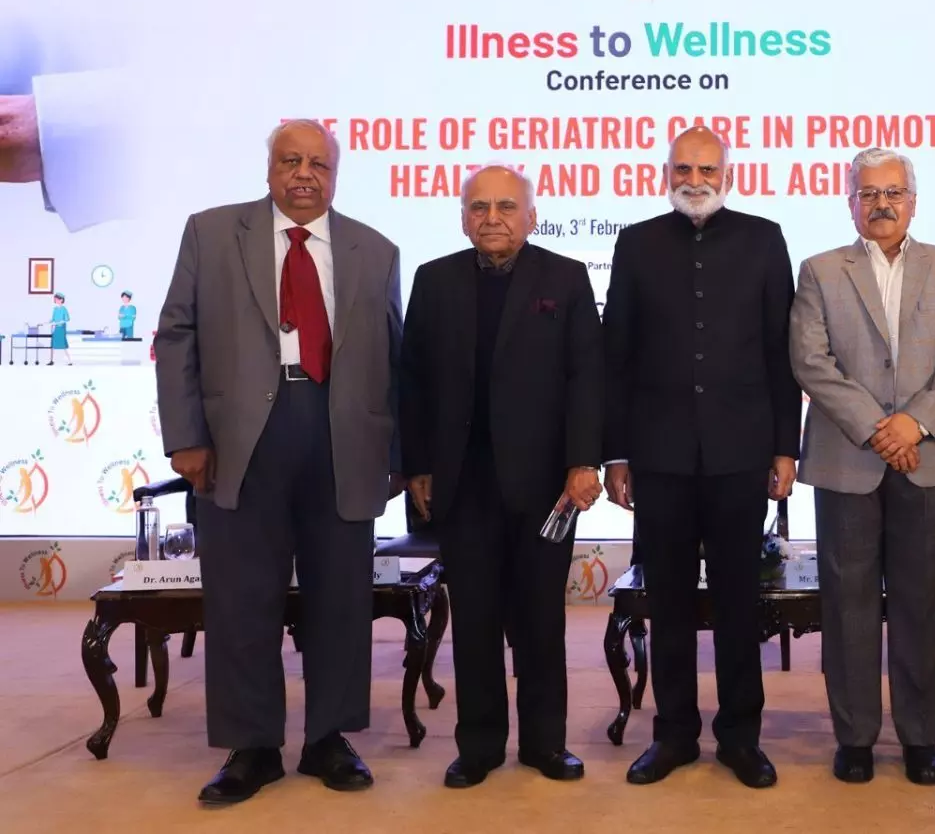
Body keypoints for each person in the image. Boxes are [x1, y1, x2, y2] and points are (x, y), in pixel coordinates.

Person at [154, 119, 405, 805]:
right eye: (291, 161)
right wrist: (186, 436)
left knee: (341, 597)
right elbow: (176, 336)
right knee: (241, 597)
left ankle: (329, 738)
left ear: (335, 176)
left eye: (318, 164)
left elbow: (395, 361)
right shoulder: (211, 233)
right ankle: (252, 746)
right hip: (240, 440)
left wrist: (398, 456)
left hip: (342, 436)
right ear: (269, 170)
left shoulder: (376, 250)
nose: (304, 175)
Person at [602, 126, 800, 789]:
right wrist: (616, 454)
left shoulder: (764, 239)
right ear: (666, 174)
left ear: (728, 175)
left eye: (707, 169)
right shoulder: (636, 242)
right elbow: (617, 354)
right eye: (683, 168)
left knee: (740, 604)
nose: (695, 179)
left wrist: (785, 447)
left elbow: (781, 350)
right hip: (658, 456)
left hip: (742, 453)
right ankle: (674, 735)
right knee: (670, 604)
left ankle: (741, 737)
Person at [399, 164, 604, 788]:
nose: (492, 218)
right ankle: (480, 746)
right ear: (463, 218)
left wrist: (584, 461)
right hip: (462, 484)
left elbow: (586, 377)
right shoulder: (433, 279)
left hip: (545, 485)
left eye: (506, 207)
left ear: (532, 216)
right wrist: (417, 466)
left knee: (541, 620)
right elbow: (413, 381)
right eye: (479, 207)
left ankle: (545, 744)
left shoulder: (565, 277)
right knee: (476, 622)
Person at [789, 147, 935, 785]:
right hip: (848, 458)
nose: (881, 204)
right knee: (847, 602)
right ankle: (855, 738)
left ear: (913, 201)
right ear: (850, 203)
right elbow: (810, 361)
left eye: (893, 192)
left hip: (925, 456)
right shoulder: (820, 270)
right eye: (868, 193)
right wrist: (881, 428)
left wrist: (914, 423)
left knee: (919, 602)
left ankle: (920, 738)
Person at [46, 292, 70, 365]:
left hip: (61, 328)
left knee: (63, 345)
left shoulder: (64, 309)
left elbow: (67, 319)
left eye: (56, 299)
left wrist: (59, 322)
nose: (55, 300)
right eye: (55, 299)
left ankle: (70, 361)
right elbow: (53, 319)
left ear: (61, 300)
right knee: (53, 345)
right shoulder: (55, 309)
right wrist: (48, 322)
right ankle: (51, 361)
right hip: (55, 328)